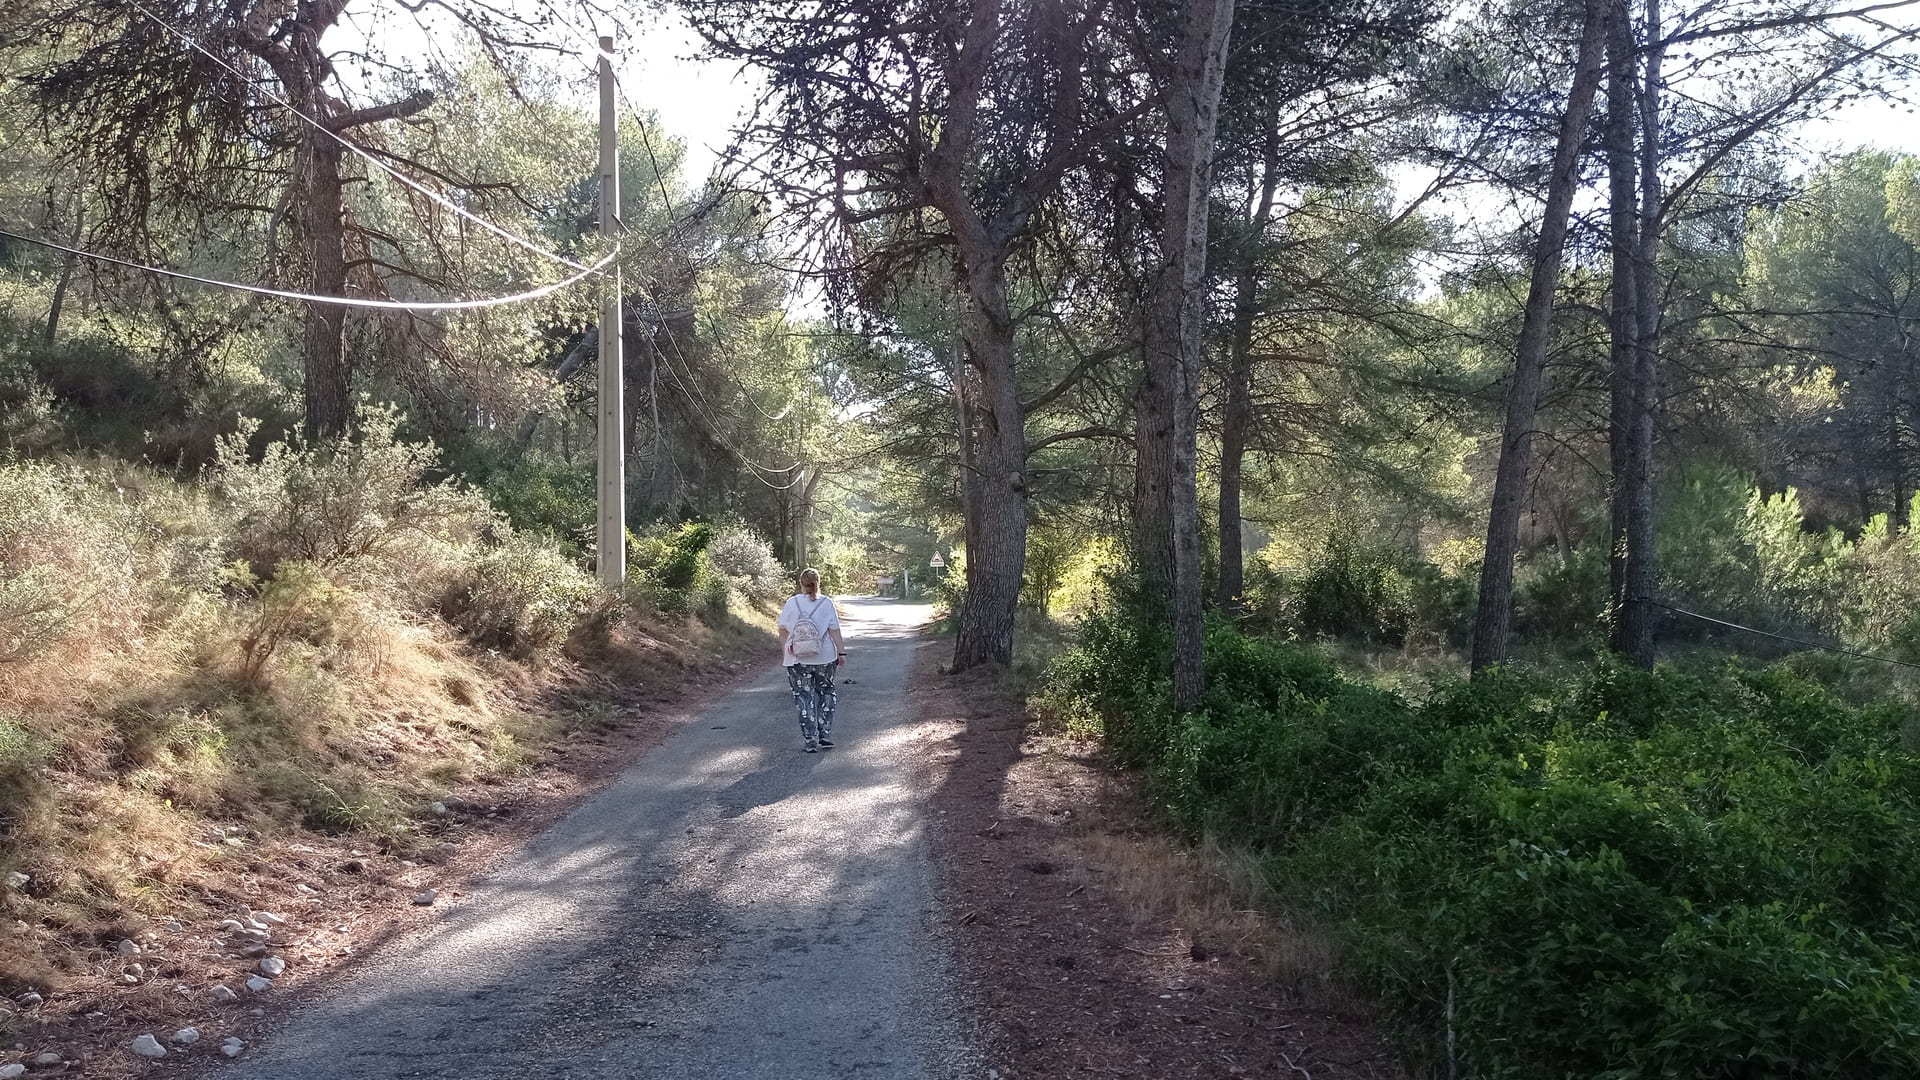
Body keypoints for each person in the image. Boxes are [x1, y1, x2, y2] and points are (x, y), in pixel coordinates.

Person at [777, 567, 846, 753]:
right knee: (826, 692)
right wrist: (841, 653)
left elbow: (783, 629)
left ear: (801, 583)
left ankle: (810, 739)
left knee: (803, 696)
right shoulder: (827, 603)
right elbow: (834, 630)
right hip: (825, 657)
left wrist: (786, 651)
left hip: (797, 658)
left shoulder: (792, 603)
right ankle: (825, 734)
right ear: (818, 583)